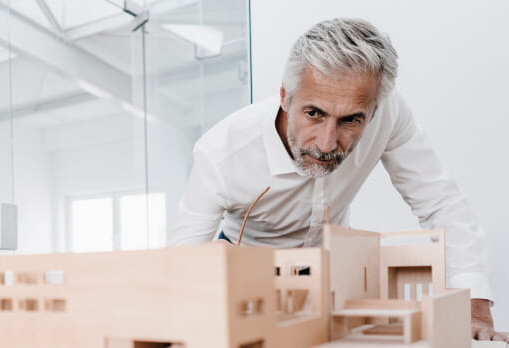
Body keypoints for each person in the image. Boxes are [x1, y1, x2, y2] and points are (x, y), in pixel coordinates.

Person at [171, 18, 507, 342]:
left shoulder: (388, 114)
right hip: (246, 281)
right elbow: (179, 265)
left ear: (374, 111)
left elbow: (439, 202)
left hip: (329, 276)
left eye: (350, 121)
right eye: (313, 114)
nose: (326, 143)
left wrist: (473, 303)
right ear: (285, 96)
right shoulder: (222, 153)